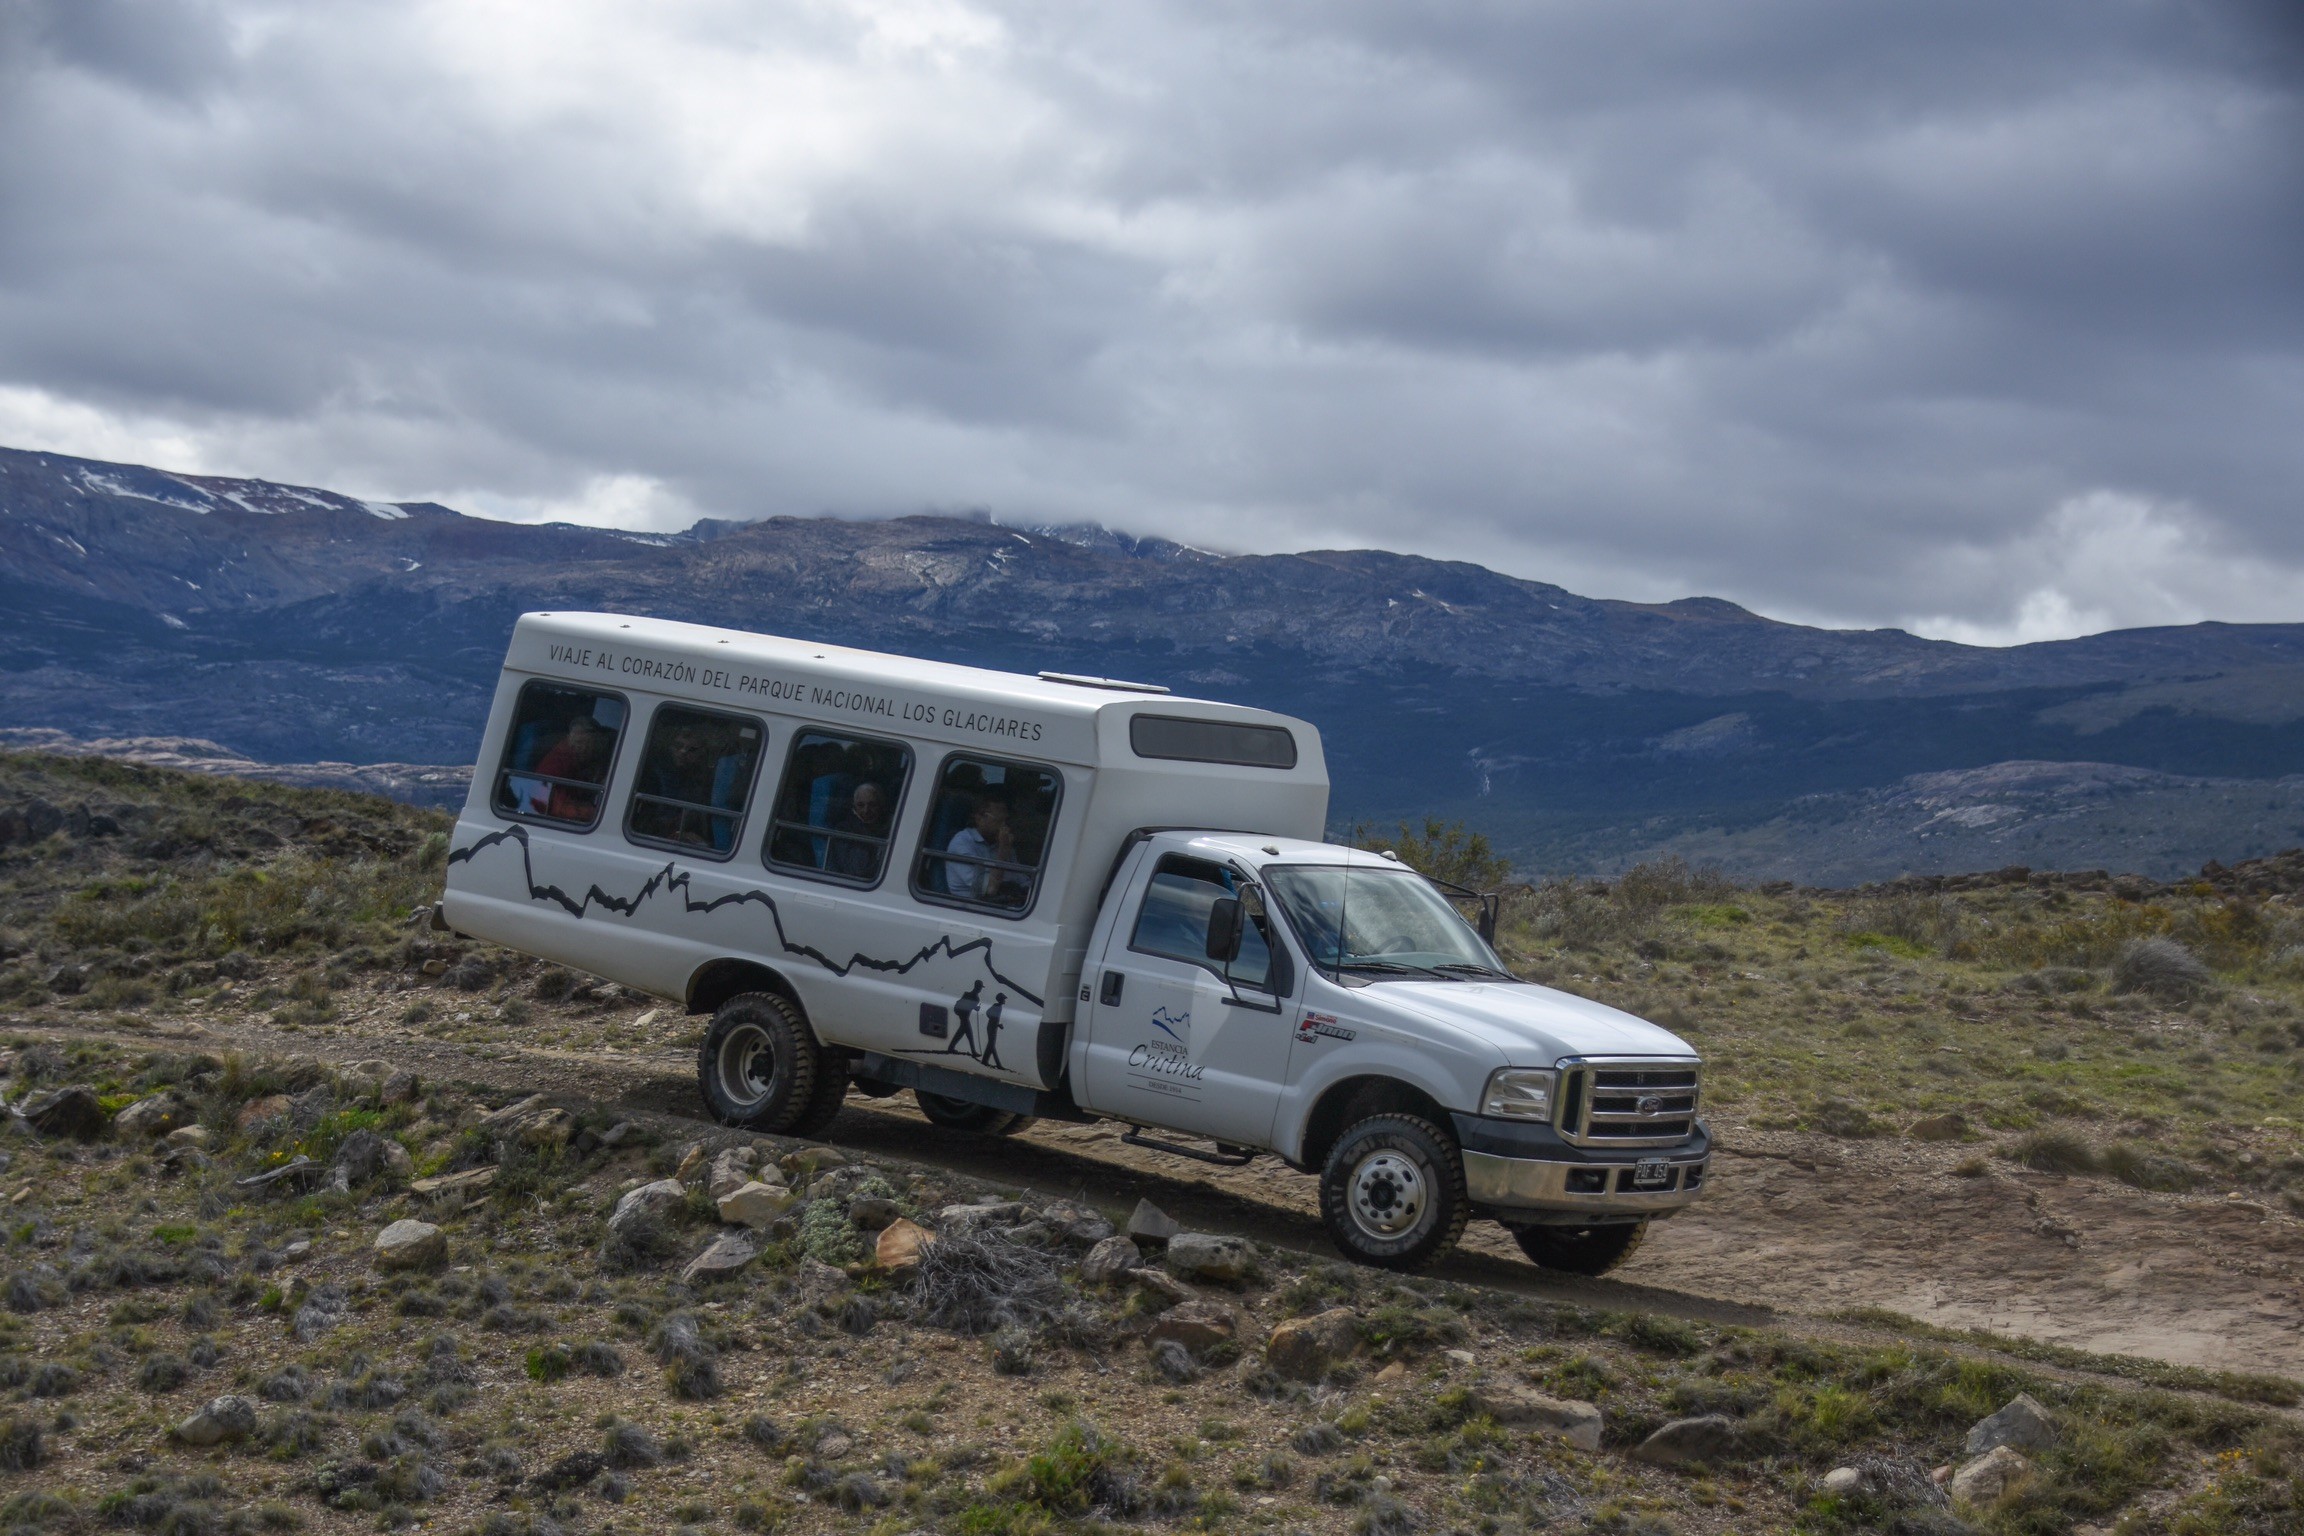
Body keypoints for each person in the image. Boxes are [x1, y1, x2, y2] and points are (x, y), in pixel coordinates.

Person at [532, 713, 613, 823]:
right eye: (580, 743)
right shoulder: (556, 763)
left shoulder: (583, 761)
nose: (584, 748)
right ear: (570, 739)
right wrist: (596, 812)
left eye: (589, 744)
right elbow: (556, 806)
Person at [943, 796, 1018, 903]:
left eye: (1006, 821)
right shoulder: (962, 843)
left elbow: (1019, 879)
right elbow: (990, 889)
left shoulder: (1001, 842)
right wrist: (1002, 852)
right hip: (973, 908)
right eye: (999, 820)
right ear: (979, 818)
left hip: (1005, 899)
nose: (1004, 826)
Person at [827, 781, 891, 878]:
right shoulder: (844, 830)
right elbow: (859, 870)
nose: (866, 810)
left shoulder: (890, 827)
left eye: (872, 805)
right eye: (861, 805)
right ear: (854, 806)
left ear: (880, 805)